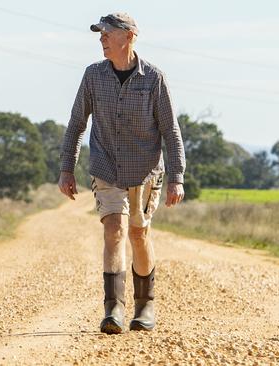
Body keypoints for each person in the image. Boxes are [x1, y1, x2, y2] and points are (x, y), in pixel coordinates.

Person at [58, 12, 186, 334]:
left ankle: (145, 306)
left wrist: (177, 176)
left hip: (144, 171)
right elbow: (76, 124)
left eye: (106, 33)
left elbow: (170, 131)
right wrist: (66, 169)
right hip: (106, 168)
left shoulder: (154, 79)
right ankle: (113, 307)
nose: (101, 39)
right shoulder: (92, 76)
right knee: (113, 229)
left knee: (138, 234)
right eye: (100, 34)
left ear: (127, 37)